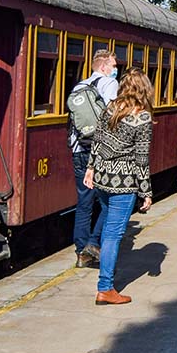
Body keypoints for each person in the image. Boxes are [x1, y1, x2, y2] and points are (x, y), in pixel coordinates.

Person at [85, 69, 154, 305]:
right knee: (113, 235)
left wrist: (90, 169)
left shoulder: (111, 107)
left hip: (102, 178)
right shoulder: (142, 117)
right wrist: (146, 192)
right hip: (124, 184)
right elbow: (141, 158)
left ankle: (105, 283)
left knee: (108, 232)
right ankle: (105, 288)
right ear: (144, 88)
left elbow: (97, 140)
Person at [70, 49, 120, 268]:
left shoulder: (79, 87)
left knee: (84, 203)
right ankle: (93, 244)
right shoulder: (110, 85)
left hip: (78, 150)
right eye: (113, 65)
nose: (115, 69)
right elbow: (114, 118)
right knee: (108, 202)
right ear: (103, 66)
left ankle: (81, 250)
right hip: (99, 151)